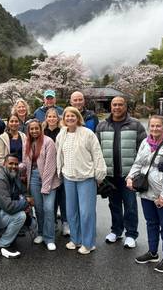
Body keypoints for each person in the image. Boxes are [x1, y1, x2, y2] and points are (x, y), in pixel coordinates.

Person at [126, 115, 163, 273]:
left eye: (158, 126)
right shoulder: (145, 143)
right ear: (149, 127)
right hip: (146, 192)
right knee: (151, 223)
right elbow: (138, 163)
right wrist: (130, 177)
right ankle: (152, 252)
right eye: (152, 126)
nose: (155, 129)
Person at [96, 96, 147, 249]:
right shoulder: (102, 126)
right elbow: (97, 150)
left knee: (130, 205)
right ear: (110, 107)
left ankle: (131, 234)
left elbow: (143, 150)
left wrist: (138, 172)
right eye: (114, 105)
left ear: (125, 107)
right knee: (114, 204)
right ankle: (116, 231)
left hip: (128, 175)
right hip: (110, 174)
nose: (117, 107)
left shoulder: (136, 125)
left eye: (120, 105)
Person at [56, 106, 106, 254]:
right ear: (63, 119)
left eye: (73, 116)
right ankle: (75, 239)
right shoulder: (62, 134)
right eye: (67, 116)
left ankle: (88, 243)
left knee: (86, 212)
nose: (70, 118)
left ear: (78, 118)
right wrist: (60, 172)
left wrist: (100, 175)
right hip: (68, 177)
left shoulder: (87, 133)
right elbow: (59, 154)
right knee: (71, 211)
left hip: (86, 177)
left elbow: (97, 154)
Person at [23, 119, 60, 251]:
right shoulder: (26, 142)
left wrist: (46, 186)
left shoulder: (48, 142)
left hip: (48, 179)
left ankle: (49, 238)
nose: (34, 131)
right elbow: (25, 163)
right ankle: (41, 233)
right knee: (38, 208)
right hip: (33, 178)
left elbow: (50, 166)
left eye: (36, 128)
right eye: (31, 129)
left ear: (41, 129)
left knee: (49, 209)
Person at [42, 107, 69, 236]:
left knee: (63, 197)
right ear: (46, 118)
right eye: (49, 117)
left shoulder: (63, 131)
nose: (52, 119)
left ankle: (65, 222)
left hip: (61, 168)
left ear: (58, 118)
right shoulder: (42, 131)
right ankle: (51, 222)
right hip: (46, 169)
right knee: (50, 198)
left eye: (54, 117)